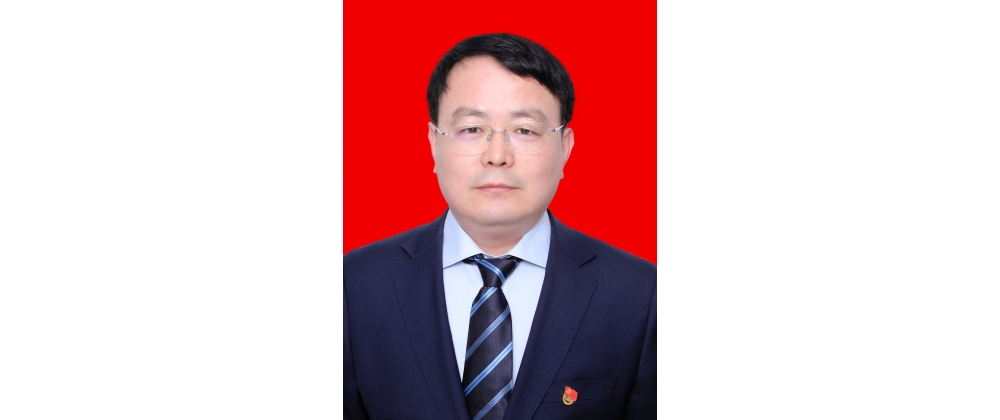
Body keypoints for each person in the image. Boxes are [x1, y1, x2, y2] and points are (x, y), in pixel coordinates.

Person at [344, 33, 656, 420]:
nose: (497, 155)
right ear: (433, 144)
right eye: (471, 129)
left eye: (524, 130)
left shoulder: (640, 295)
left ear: (565, 148)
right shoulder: (354, 285)